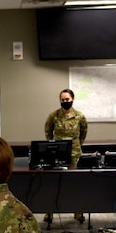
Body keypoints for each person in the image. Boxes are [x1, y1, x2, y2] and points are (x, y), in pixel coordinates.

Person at [44, 88, 88, 223]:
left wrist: (76, 145)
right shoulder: (54, 115)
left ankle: (78, 211)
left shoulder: (79, 116)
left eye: (67, 99)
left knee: (75, 183)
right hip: (56, 153)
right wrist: (52, 146)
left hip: (74, 154)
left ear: (72, 99)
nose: (65, 102)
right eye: (62, 100)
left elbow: (83, 133)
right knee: (54, 183)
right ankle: (49, 212)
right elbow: (48, 131)